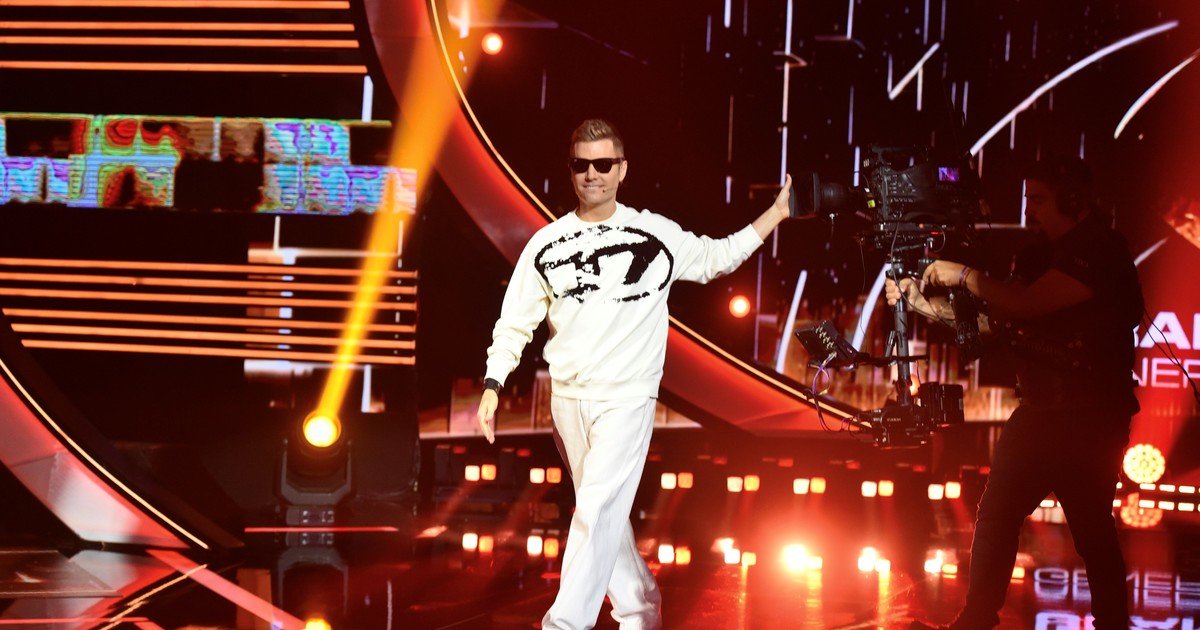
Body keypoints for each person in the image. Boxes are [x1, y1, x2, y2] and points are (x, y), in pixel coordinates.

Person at [477, 118, 793, 629]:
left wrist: (775, 214)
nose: (592, 175)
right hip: (567, 401)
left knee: (596, 509)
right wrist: (494, 383)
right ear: (571, 170)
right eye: (582, 165)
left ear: (622, 170)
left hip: (628, 397)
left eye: (603, 165)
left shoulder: (655, 233)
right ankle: (642, 611)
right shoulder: (546, 243)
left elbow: (717, 258)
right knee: (602, 514)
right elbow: (515, 321)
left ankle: (564, 625)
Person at [891, 157, 1143, 630]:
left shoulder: (1100, 251)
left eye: (1039, 200)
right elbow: (999, 322)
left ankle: (1112, 624)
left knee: (1091, 530)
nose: (1031, 210)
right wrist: (921, 302)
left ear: (1073, 200)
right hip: (1040, 411)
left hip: (1089, 418)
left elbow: (1025, 303)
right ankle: (977, 617)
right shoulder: (1038, 256)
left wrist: (961, 275)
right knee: (997, 515)